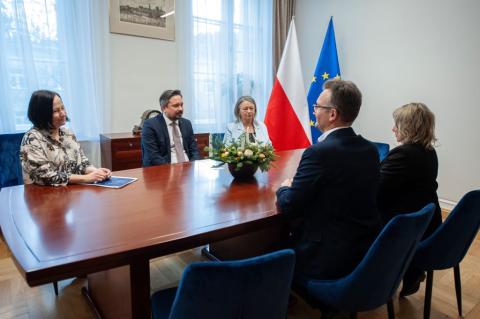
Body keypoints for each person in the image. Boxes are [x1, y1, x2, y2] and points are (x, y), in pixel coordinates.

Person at [276, 79, 381, 281]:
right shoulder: (370, 150)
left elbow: (289, 206)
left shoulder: (319, 153)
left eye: (317, 107)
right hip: (365, 253)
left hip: (325, 259)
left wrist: (284, 188)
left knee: (269, 248)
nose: (314, 111)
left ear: (332, 114)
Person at [377, 102, 441, 296]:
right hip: (426, 220)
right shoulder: (429, 151)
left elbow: (375, 186)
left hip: (403, 224)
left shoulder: (404, 154)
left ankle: (368, 276)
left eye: (397, 124)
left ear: (409, 127)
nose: (393, 128)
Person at [20, 90, 111, 186]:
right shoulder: (32, 138)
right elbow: (44, 176)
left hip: (71, 193)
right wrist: (86, 178)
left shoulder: (68, 133)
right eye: (56, 111)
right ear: (42, 114)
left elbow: (82, 163)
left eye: (62, 108)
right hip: (44, 196)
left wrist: (97, 172)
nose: (63, 113)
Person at [141, 89, 200, 166]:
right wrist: (173, 171)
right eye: (176, 106)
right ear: (164, 108)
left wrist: (192, 167)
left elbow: (194, 151)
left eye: (181, 105)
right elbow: (153, 157)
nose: (180, 109)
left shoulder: (187, 123)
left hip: (188, 169)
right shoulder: (150, 125)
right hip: (164, 171)